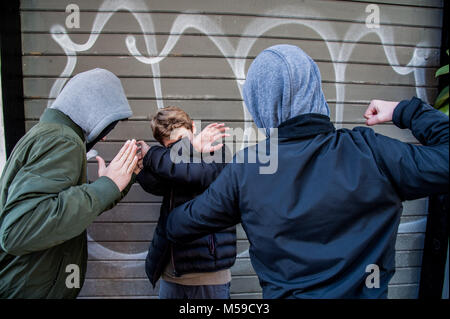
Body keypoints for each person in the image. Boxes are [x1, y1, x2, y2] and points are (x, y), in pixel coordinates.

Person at [164, 45, 449, 298]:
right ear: (315, 89)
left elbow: (177, 225)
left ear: (258, 103)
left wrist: (196, 160)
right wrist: (405, 111)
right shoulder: (371, 151)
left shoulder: (248, 168)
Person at [0, 68, 140, 298]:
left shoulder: (48, 134)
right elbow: (17, 230)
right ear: (90, 109)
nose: (104, 136)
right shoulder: (62, 139)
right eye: (107, 126)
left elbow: (62, 211)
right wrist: (105, 185)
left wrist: (116, 183)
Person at [136, 106, 236, 299]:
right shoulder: (167, 163)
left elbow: (190, 173)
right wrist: (138, 171)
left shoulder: (217, 151)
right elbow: (160, 185)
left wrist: (152, 155)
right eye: (171, 146)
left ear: (193, 127)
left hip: (208, 277)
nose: (177, 150)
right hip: (171, 274)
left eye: (182, 141)